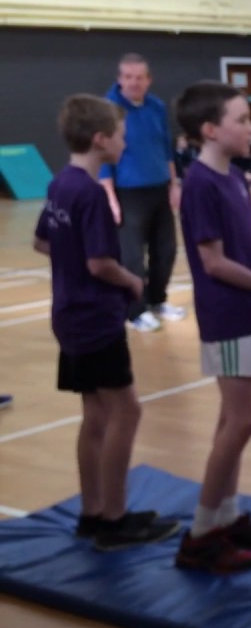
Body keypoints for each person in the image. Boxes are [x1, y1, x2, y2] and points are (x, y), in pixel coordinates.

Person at [34, 94, 181, 550]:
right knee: (127, 411)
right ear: (101, 139)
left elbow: (43, 242)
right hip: (95, 317)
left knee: (95, 414)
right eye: (120, 134)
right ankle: (115, 519)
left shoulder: (61, 184)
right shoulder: (91, 194)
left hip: (69, 314)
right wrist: (132, 281)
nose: (124, 141)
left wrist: (75, 262)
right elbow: (100, 263)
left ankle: (92, 512)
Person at [171, 82, 251, 573]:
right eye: (240, 119)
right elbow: (213, 262)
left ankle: (227, 514)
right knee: (242, 421)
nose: (250, 127)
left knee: (231, 419)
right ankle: (202, 533)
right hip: (226, 313)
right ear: (210, 130)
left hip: (248, 307)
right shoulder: (199, 183)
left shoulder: (235, 177)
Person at [101, 53, 186, 333]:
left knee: (166, 250)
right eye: (127, 77)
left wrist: (174, 185)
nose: (133, 83)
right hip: (127, 193)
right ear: (119, 78)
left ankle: (157, 300)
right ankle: (135, 311)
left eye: (139, 77)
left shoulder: (157, 107)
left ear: (148, 80)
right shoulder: (109, 108)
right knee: (132, 257)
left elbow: (166, 149)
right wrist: (110, 199)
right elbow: (102, 157)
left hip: (158, 189)